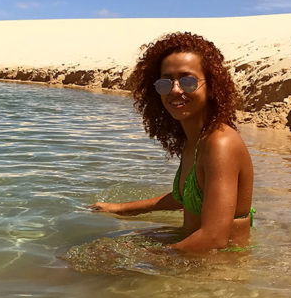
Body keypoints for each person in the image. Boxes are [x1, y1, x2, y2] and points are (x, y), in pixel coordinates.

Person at [89, 32, 254, 253]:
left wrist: (142, 257)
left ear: (212, 86)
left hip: (218, 271)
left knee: (99, 259)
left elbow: (214, 239)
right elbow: (184, 197)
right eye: (165, 83)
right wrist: (122, 209)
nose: (175, 90)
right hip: (192, 253)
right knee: (100, 245)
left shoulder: (220, 143)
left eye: (188, 81)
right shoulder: (195, 140)